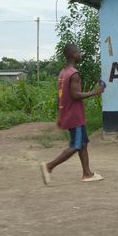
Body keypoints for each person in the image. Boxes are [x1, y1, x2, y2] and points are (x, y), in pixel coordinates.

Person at [40, 44, 105, 185]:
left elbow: (60, 96)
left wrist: (59, 114)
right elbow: (75, 95)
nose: (80, 54)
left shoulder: (63, 72)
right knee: (76, 145)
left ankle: (87, 173)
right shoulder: (74, 73)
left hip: (69, 114)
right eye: (78, 52)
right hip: (74, 116)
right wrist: (95, 91)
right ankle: (49, 166)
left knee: (83, 144)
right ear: (72, 55)